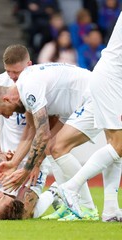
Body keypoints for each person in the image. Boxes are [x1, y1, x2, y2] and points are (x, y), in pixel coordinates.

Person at [0, 62, 102, 221]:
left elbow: (43, 133)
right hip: (79, 101)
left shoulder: (27, 89)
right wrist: (14, 163)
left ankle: (88, 209)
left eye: (3, 113)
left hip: (94, 96)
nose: (7, 117)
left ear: (6, 99)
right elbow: (30, 131)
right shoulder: (23, 86)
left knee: (58, 148)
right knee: (51, 148)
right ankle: (70, 205)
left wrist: (26, 170)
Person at [58, 11, 122, 223]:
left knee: (116, 147)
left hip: (113, 79)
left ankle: (111, 210)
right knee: (119, 146)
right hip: (111, 79)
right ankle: (70, 187)